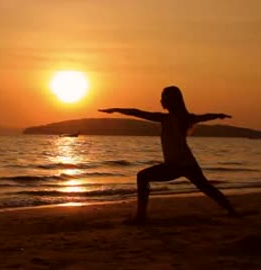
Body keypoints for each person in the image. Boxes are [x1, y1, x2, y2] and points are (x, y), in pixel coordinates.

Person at [98, 86, 238, 224]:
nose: (160, 101)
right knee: (206, 187)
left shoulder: (169, 119)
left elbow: (137, 112)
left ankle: (141, 217)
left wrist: (116, 110)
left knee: (143, 176)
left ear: (170, 100)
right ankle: (232, 212)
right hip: (187, 163)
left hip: (177, 165)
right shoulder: (183, 118)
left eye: (163, 97)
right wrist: (219, 115)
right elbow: (205, 116)